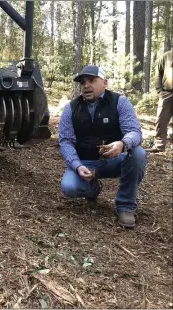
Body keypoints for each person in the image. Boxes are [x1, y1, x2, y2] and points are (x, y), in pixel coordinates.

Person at [58, 65, 147, 228]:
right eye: (83, 82)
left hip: (115, 160)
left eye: (91, 80)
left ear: (104, 83)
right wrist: (77, 166)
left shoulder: (119, 102)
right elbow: (65, 141)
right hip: (85, 163)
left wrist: (123, 144)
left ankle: (126, 206)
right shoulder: (71, 109)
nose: (86, 85)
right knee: (69, 187)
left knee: (138, 154)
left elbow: (134, 131)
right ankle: (92, 188)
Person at [146, 49, 173, 152]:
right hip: (167, 93)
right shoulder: (167, 56)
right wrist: (159, 90)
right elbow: (158, 73)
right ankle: (159, 145)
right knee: (161, 120)